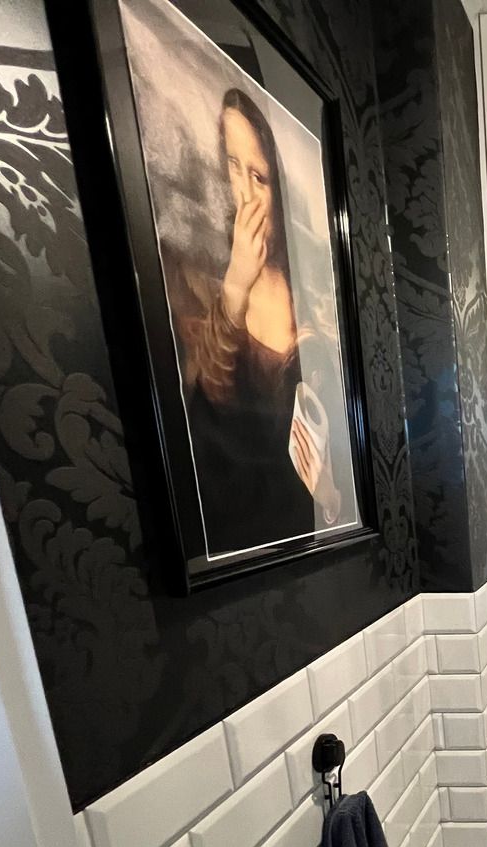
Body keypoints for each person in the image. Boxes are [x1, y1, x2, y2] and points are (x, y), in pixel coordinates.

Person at [179, 86, 342, 556]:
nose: (246, 195)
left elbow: (340, 467)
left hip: (308, 539)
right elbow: (202, 417)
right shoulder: (203, 280)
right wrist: (235, 288)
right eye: (233, 166)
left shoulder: (318, 287)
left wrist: (329, 494)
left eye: (259, 176)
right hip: (240, 540)